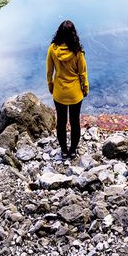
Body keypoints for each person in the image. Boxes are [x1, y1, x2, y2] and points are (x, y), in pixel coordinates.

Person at [46, 20, 89, 159]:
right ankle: (73, 150)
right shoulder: (77, 51)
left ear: (59, 33)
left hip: (59, 92)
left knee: (61, 122)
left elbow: (49, 71)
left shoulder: (53, 49)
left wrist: (51, 86)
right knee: (75, 122)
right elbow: (83, 73)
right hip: (75, 93)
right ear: (73, 34)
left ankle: (64, 150)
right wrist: (85, 88)